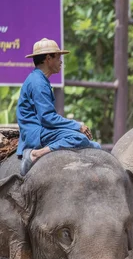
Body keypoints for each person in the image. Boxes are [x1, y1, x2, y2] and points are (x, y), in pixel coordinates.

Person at [17, 38, 101, 175]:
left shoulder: (39, 79)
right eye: (58, 57)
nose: (61, 61)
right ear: (48, 59)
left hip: (43, 129)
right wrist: (77, 126)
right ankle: (35, 154)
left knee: (95, 146)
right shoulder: (38, 82)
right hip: (36, 132)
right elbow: (47, 118)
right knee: (79, 138)